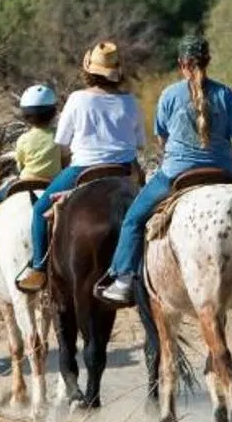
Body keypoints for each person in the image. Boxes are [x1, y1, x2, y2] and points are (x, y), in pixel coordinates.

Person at [95, 35, 232, 306]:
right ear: (207, 61)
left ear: (181, 63)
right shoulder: (226, 93)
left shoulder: (170, 94)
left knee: (133, 220)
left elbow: (162, 138)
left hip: (177, 174)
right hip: (223, 171)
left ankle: (123, 279)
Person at [15, 43, 143, 293]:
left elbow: (62, 144)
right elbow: (139, 143)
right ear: (117, 71)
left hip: (83, 169)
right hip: (125, 170)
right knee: (149, 213)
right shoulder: (130, 102)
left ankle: (39, 267)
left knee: (40, 209)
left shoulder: (77, 99)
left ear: (89, 70)